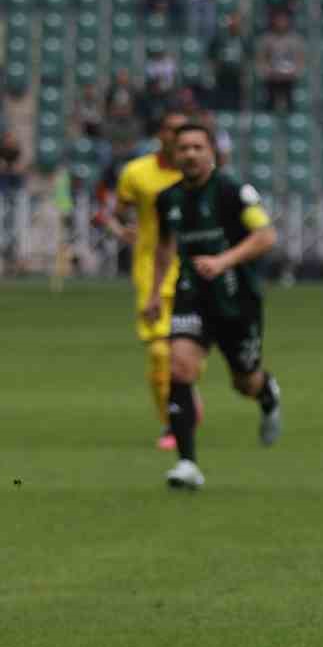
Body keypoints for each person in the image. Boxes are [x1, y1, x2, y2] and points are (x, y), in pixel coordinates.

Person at [145, 123, 281, 490]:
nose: (189, 154)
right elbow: (163, 248)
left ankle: (267, 394)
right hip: (192, 294)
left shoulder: (233, 192)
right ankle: (187, 463)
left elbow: (266, 236)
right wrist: (156, 293)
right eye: (183, 148)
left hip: (237, 298)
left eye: (197, 147)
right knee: (180, 368)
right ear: (173, 154)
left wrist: (223, 262)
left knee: (244, 381)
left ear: (211, 153)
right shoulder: (167, 198)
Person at [108, 110, 202, 450]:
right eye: (171, 130)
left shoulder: (202, 174)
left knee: (187, 354)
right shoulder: (136, 173)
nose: (177, 138)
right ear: (160, 134)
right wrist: (119, 229)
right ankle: (172, 424)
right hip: (152, 272)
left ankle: (186, 394)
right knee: (160, 355)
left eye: (184, 131)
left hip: (196, 270)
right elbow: (119, 213)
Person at [255, 9, 305, 114]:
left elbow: (300, 61)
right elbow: (261, 61)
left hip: (289, 80)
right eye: (278, 19)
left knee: (290, 105)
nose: (281, 22)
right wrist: (268, 71)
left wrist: (294, 72)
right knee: (269, 105)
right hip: (271, 80)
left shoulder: (295, 40)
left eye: (283, 20)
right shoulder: (266, 39)